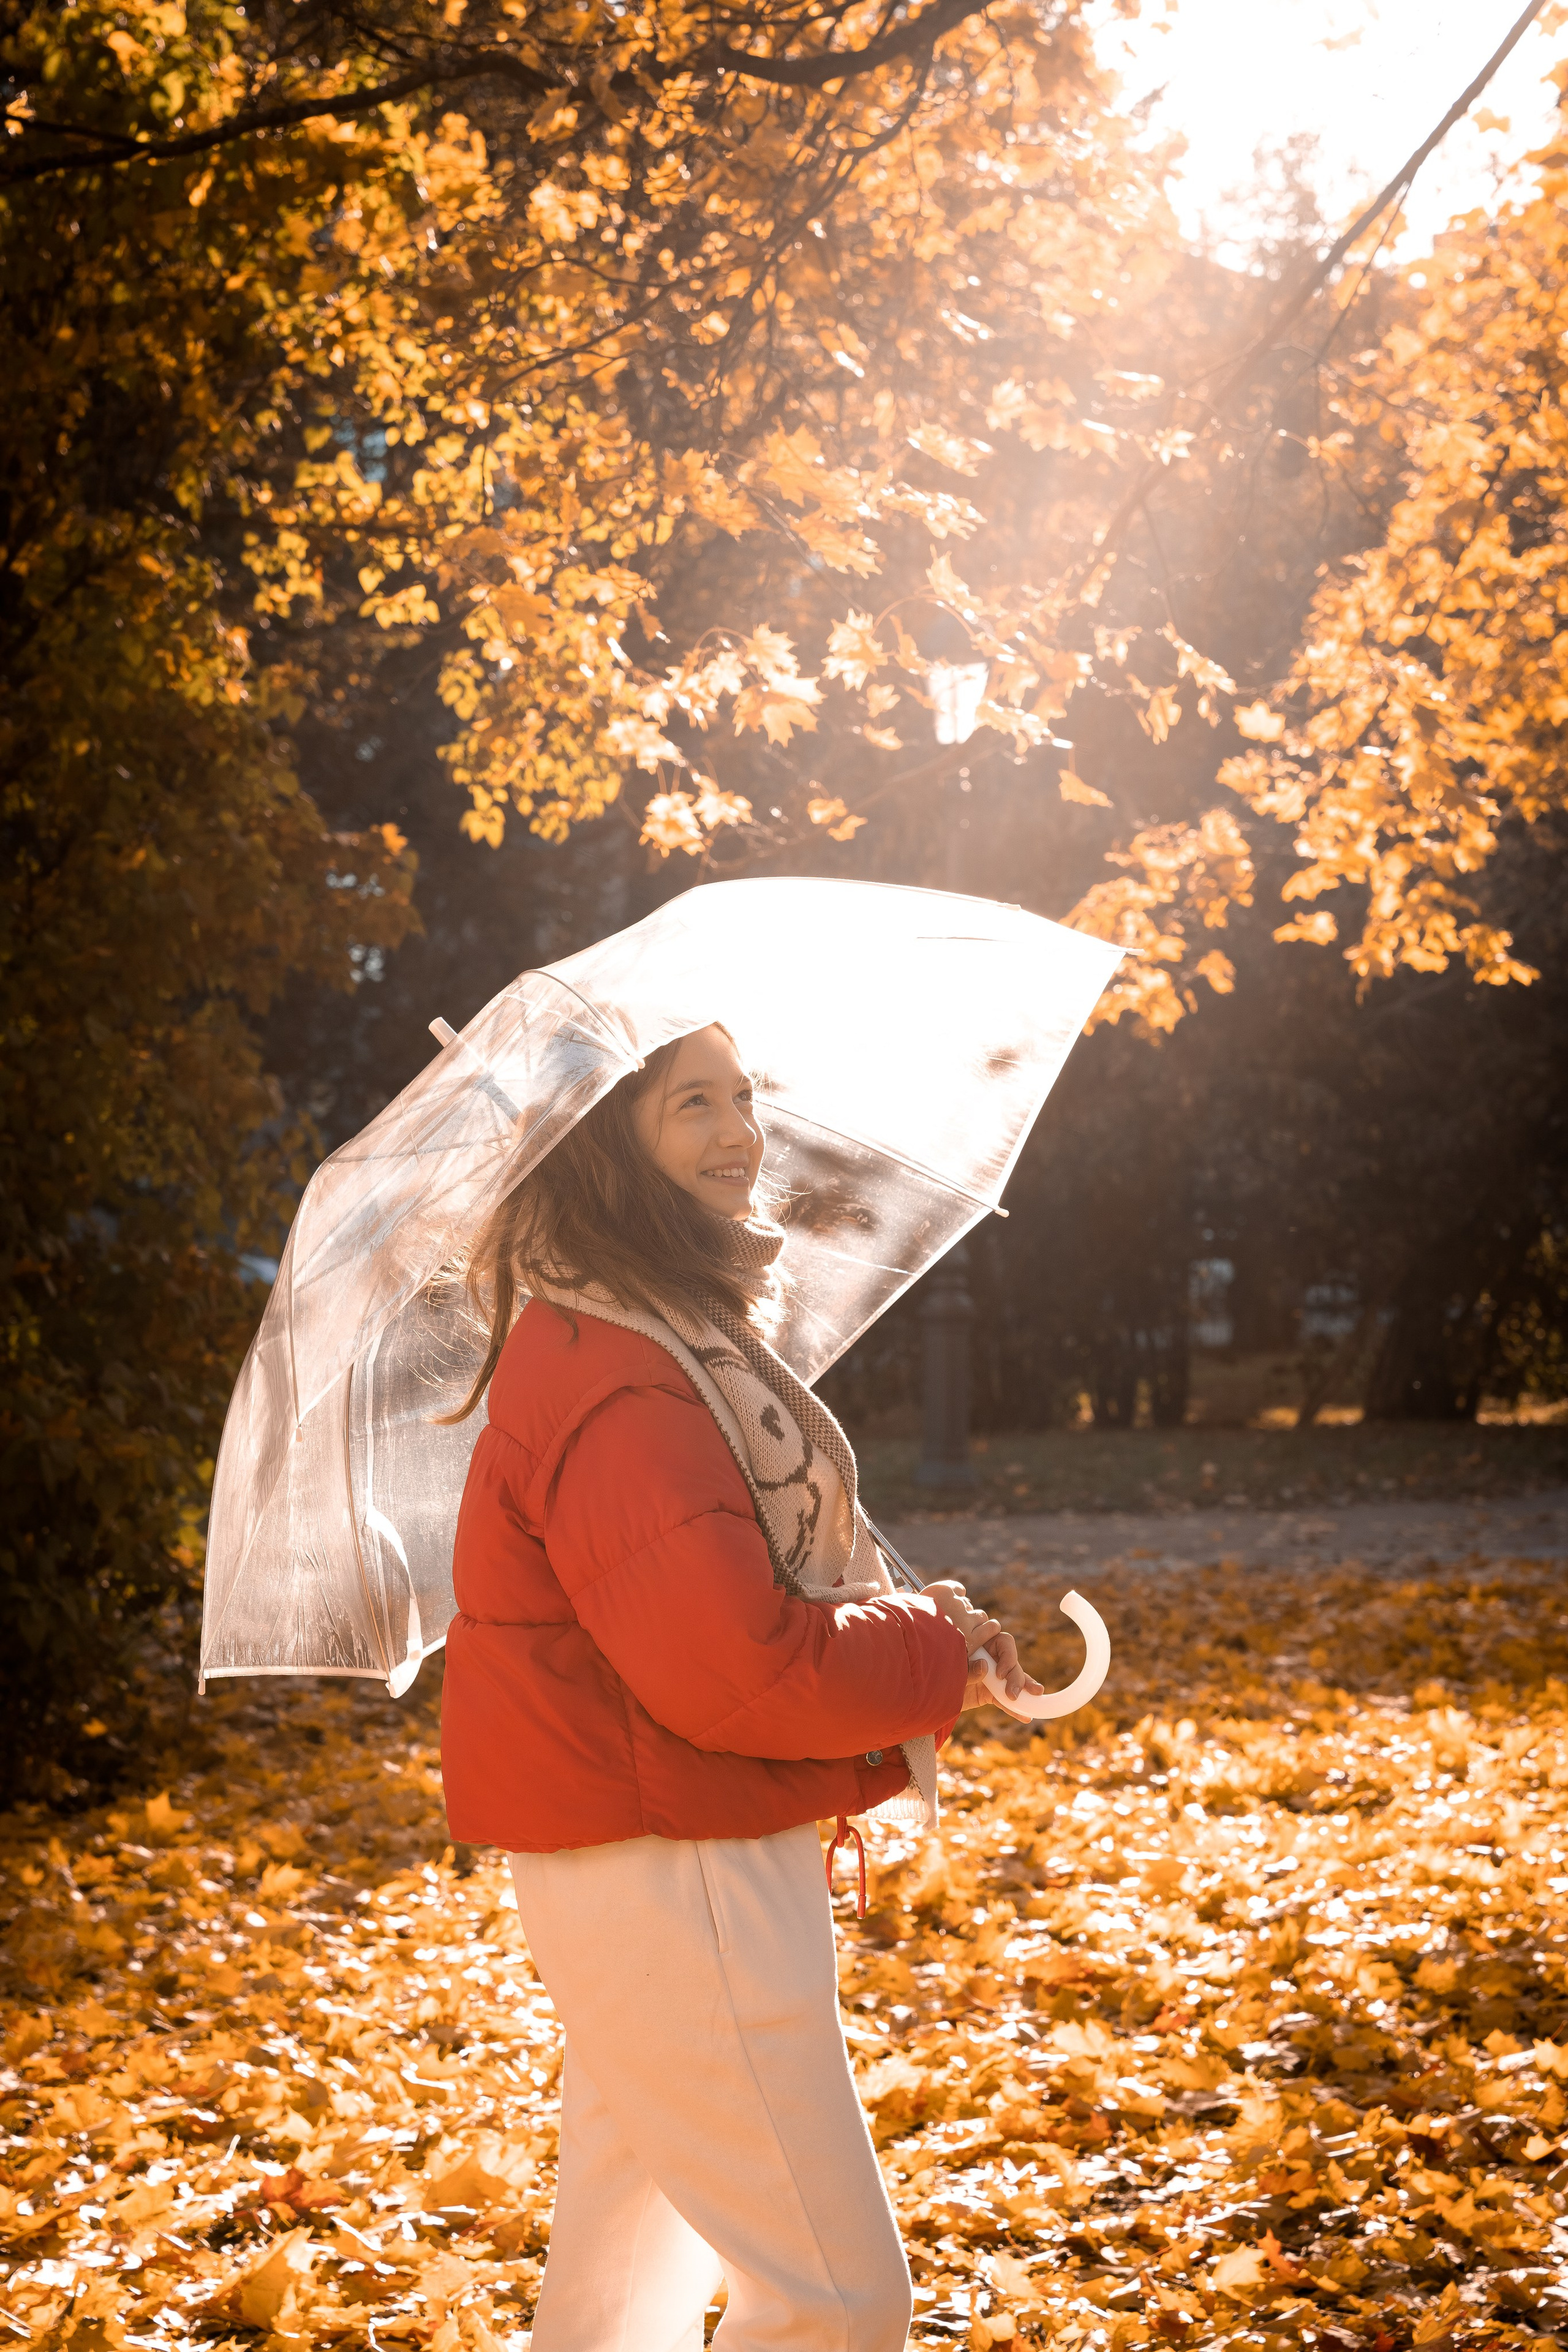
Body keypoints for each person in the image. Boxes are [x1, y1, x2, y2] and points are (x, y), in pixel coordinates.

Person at [440, 1022, 1042, 2352]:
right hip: (674, 1865)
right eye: (691, 1105)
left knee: (623, 2286)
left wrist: (918, 1629)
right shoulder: (624, 1381)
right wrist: (927, 1660)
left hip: (652, 1851)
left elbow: (731, 1606)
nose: (740, 1134)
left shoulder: (645, 1338)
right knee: (837, 2301)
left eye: (742, 1096)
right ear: (606, 1148)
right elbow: (737, 1670)